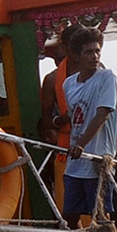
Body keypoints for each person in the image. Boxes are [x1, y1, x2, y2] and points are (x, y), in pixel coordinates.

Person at [62, 27, 117, 231]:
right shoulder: (69, 84)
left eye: (97, 51)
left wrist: (81, 144)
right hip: (76, 161)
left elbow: (102, 114)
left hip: (97, 160)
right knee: (69, 215)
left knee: (102, 215)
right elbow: (75, 115)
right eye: (89, 52)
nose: (95, 56)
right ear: (76, 56)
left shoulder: (107, 78)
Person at [38, 27, 80, 212]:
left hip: (98, 148)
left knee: (103, 205)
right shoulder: (52, 79)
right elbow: (45, 120)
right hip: (66, 148)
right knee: (68, 207)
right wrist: (60, 121)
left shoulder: (100, 73)